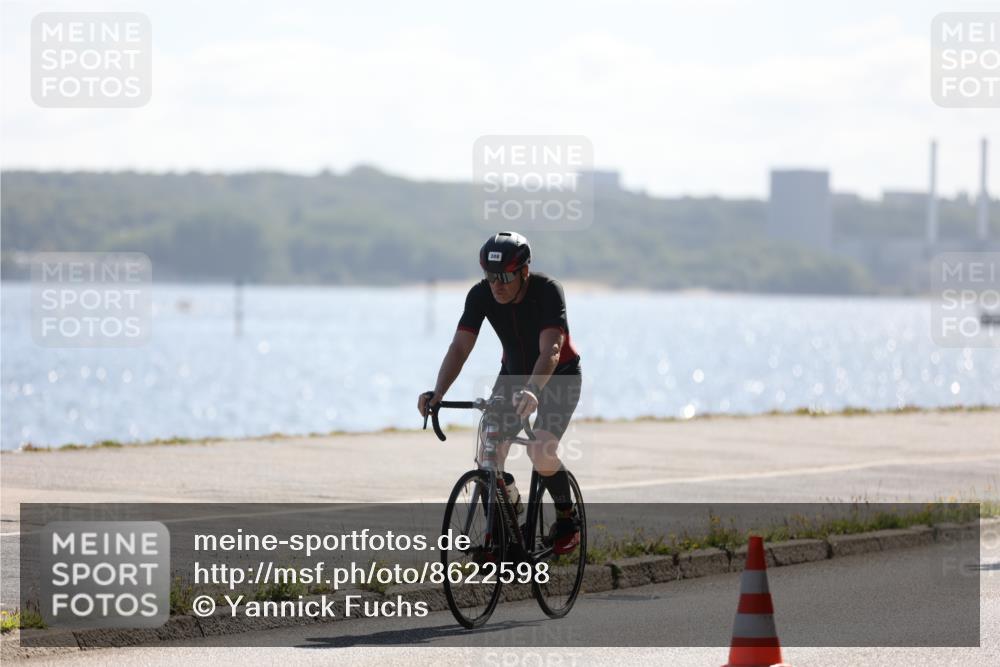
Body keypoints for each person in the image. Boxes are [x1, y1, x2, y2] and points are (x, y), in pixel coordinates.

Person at [418, 231, 583, 554]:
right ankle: (502, 529)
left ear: (524, 271)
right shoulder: (481, 294)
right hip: (513, 375)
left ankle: (567, 517)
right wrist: (437, 393)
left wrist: (533, 390)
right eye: (490, 276)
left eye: (505, 276)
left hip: (558, 375)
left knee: (540, 451)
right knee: (489, 452)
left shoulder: (548, 291)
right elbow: (460, 347)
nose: (497, 284)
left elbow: (551, 350)